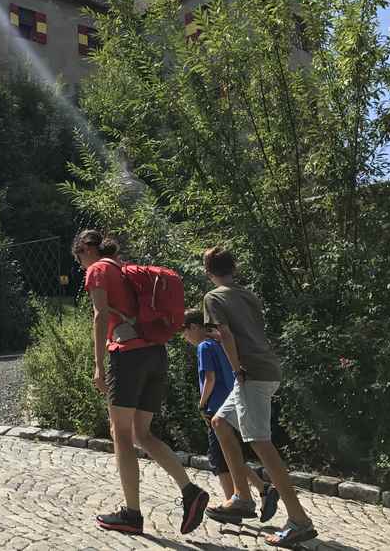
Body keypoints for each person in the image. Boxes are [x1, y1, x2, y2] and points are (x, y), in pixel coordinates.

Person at [73, 229, 209, 536]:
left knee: (120, 433)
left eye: (79, 256)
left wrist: (97, 365)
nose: (80, 263)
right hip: (155, 354)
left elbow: (99, 315)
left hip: (128, 355)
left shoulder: (98, 269)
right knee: (142, 433)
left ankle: (131, 514)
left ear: (85, 249)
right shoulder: (125, 269)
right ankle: (190, 492)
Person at [201, 246, 318, 547]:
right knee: (221, 424)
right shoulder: (248, 295)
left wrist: (236, 367)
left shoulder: (213, 297)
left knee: (261, 444)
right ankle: (242, 498)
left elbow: (225, 334)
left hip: (251, 373)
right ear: (234, 267)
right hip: (267, 368)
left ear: (207, 271)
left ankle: (299, 521)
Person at [180, 311, 280, 522]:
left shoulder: (204, 347)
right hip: (233, 402)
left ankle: (234, 505)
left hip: (216, 407)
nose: (183, 336)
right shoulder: (220, 344)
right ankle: (262, 490)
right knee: (231, 456)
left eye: (184, 330)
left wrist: (202, 403)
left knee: (220, 459)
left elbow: (210, 377)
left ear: (195, 327)